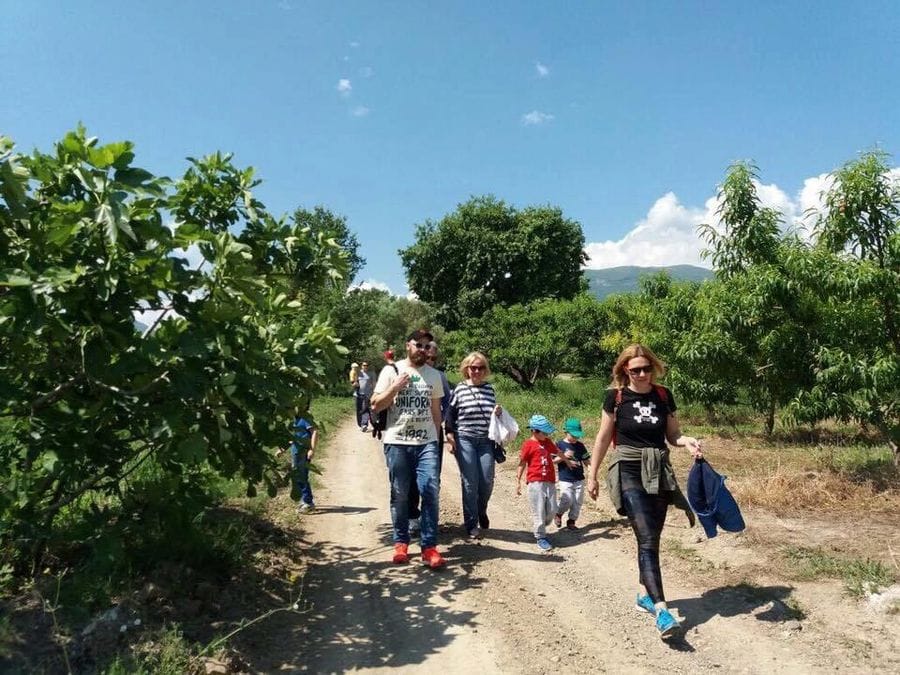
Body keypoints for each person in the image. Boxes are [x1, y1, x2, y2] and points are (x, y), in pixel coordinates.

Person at [586, 344, 702, 640]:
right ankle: (662, 611)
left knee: (651, 537)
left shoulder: (663, 395)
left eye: (645, 368)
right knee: (647, 537)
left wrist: (686, 441)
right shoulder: (616, 397)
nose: (640, 374)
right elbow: (602, 438)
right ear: (624, 370)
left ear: (653, 368)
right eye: (634, 369)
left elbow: (673, 435)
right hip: (627, 467)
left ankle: (644, 595)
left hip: (659, 469)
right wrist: (592, 475)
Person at [371, 329, 447, 568]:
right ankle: (401, 542)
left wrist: (436, 441)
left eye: (427, 346)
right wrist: (395, 388)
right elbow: (375, 405)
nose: (423, 350)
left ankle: (429, 546)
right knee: (400, 493)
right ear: (408, 345)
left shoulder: (434, 376)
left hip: (426, 444)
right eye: (419, 345)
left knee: (430, 491)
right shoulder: (390, 371)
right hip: (397, 443)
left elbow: (436, 413)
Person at [445, 351, 501, 539]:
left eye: (480, 367)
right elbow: (450, 414)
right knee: (470, 482)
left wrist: (498, 413)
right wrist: (449, 435)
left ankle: (480, 510)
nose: (477, 371)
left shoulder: (489, 389)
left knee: (486, 481)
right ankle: (471, 523)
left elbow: (492, 416)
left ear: (485, 370)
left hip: (486, 441)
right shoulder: (460, 389)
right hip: (465, 439)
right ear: (466, 369)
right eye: (473, 367)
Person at [516, 414, 562, 551]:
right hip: (535, 482)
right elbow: (522, 463)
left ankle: (543, 523)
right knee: (538, 509)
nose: (547, 435)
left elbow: (558, 452)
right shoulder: (528, 444)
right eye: (544, 432)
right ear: (534, 431)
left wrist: (567, 461)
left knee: (553, 508)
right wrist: (517, 481)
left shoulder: (548, 442)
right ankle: (540, 536)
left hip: (550, 481)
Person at [554, 418, 590, 531]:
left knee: (578, 501)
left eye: (577, 436)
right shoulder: (559, 444)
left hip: (579, 478)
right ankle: (558, 514)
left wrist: (592, 472)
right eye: (573, 435)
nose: (576, 438)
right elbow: (552, 461)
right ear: (566, 432)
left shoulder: (580, 446)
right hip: (565, 478)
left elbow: (587, 461)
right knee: (567, 499)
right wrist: (563, 456)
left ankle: (571, 521)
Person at [287, 407, 318, 513]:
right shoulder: (295, 419)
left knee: (301, 476)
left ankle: (308, 502)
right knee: (297, 476)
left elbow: (314, 431)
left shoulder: (305, 417)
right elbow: (294, 437)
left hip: (303, 452)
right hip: (295, 451)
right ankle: (304, 500)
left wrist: (312, 449)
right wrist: (282, 449)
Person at [356, 361, 374, 432]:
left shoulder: (370, 374)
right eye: (364, 365)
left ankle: (364, 425)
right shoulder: (358, 373)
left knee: (366, 409)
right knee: (359, 409)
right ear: (361, 366)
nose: (365, 366)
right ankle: (361, 424)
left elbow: (373, 383)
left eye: (366, 365)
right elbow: (354, 382)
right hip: (359, 394)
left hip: (368, 394)